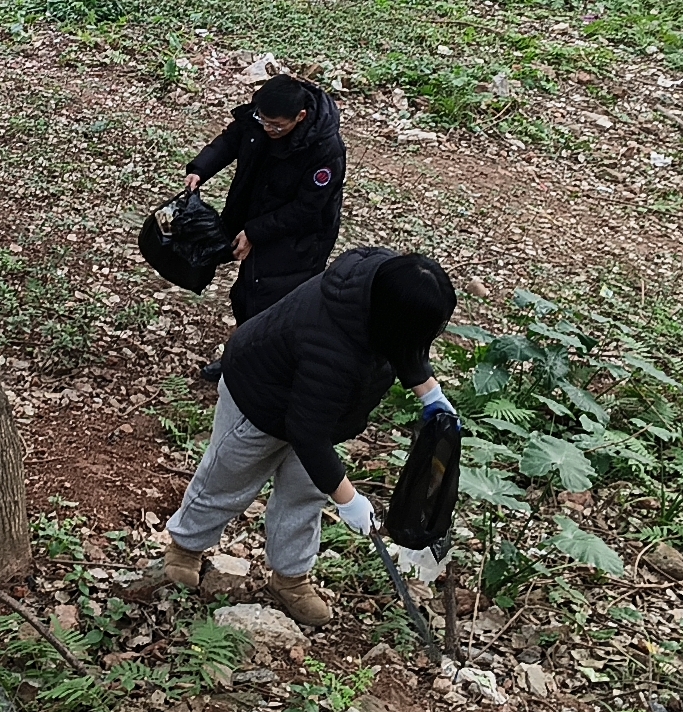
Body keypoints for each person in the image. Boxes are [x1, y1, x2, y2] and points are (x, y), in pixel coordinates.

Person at [146, 247, 456, 627]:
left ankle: (291, 577)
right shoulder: (330, 343)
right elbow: (306, 434)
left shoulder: (384, 285)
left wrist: (430, 393)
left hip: (325, 411)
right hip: (259, 400)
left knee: (305, 493)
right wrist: (350, 501)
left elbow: (403, 341)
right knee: (228, 478)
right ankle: (185, 548)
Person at [185, 73, 348, 377]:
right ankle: (241, 357)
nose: (269, 129)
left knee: (274, 301)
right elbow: (232, 139)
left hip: (298, 238)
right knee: (247, 293)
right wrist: (200, 168)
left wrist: (256, 233)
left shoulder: (325, 149)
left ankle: (262, 368)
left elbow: (308, 208)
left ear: (300, 117)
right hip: (257, 212)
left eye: (277, 126)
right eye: (264, 121)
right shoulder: (260, 119)